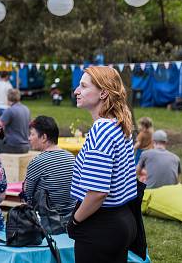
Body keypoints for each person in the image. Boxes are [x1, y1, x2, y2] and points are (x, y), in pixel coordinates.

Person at [67, 66, 138, 263]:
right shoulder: (118, 124)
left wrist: (75, 220)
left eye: (83, 86)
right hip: (122, 219)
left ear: (104, 92)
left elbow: (97, 193)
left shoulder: (102, 130)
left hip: (100, 225)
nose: (76, 91)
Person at [23, 116, 75, 217]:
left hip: (48, 219)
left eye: (32, 134)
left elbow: (27, 196)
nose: (29, 138)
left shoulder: (38, 161)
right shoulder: (71, 157)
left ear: (43, 137)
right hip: (71, 216)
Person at [0, 88, 31, 154]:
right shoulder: (26, 109)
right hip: (26, 146)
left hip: (14, 146)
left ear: (8, 98)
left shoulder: (10, 110)